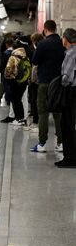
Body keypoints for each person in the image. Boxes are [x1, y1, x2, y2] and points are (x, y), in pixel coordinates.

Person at [30, 20, 65, 153]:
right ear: (55, 29)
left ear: (45, 30)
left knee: (43, 113)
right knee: (58, 114)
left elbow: (35, 61)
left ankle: (42, 144)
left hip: (44, 83)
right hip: (59, 83)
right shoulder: (62, 43)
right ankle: (61, 143)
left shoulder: (43, 43)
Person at [55, 28, 76, 168]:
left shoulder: (71, 54)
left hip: (71, 92)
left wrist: (59, 82)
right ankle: (69, 157)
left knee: (67, 125)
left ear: (66, 39)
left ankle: (70, 158)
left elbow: (66, 78)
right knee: (69, 124)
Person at [4, 44, 28, 126]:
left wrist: (7, 78)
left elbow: (8, 69)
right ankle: (21, 119)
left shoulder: (13, 57)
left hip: (14, 81)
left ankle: (18, 119)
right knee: (19, 100)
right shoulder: (25, 57)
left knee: (15, 101)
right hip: (23, 82)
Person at [26, 32, 45, 129]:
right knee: (37, 100)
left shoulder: (37, 50)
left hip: (37, 79)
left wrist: (31, 79)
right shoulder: (40, 48)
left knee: (35, 100)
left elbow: (35, 65)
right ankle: (36, 118)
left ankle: (36, 121)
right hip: (40, 79)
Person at [0, 38, 15, 122]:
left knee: (7, 89)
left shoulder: (6, 53)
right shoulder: (15, 53)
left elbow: (2, 66)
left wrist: (1, 72)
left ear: (6, 44)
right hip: (13, 76)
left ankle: (9, 103)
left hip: (6, 75)